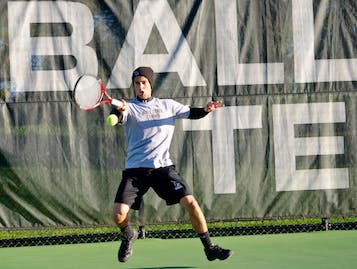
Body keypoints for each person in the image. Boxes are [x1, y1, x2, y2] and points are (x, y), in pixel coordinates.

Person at [109, 66, 233, 263]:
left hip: (163, 169)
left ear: (151, 84)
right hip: (135, 171)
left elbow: (192, 113)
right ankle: (128, 234)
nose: (140, 87)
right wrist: (119, 109)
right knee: (118, 214)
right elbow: (117, 117)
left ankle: (210, 248)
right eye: (136, 84)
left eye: (144, 83)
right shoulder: (129, 107)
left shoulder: (168, 105)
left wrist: (206, 109)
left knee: (191, 203)